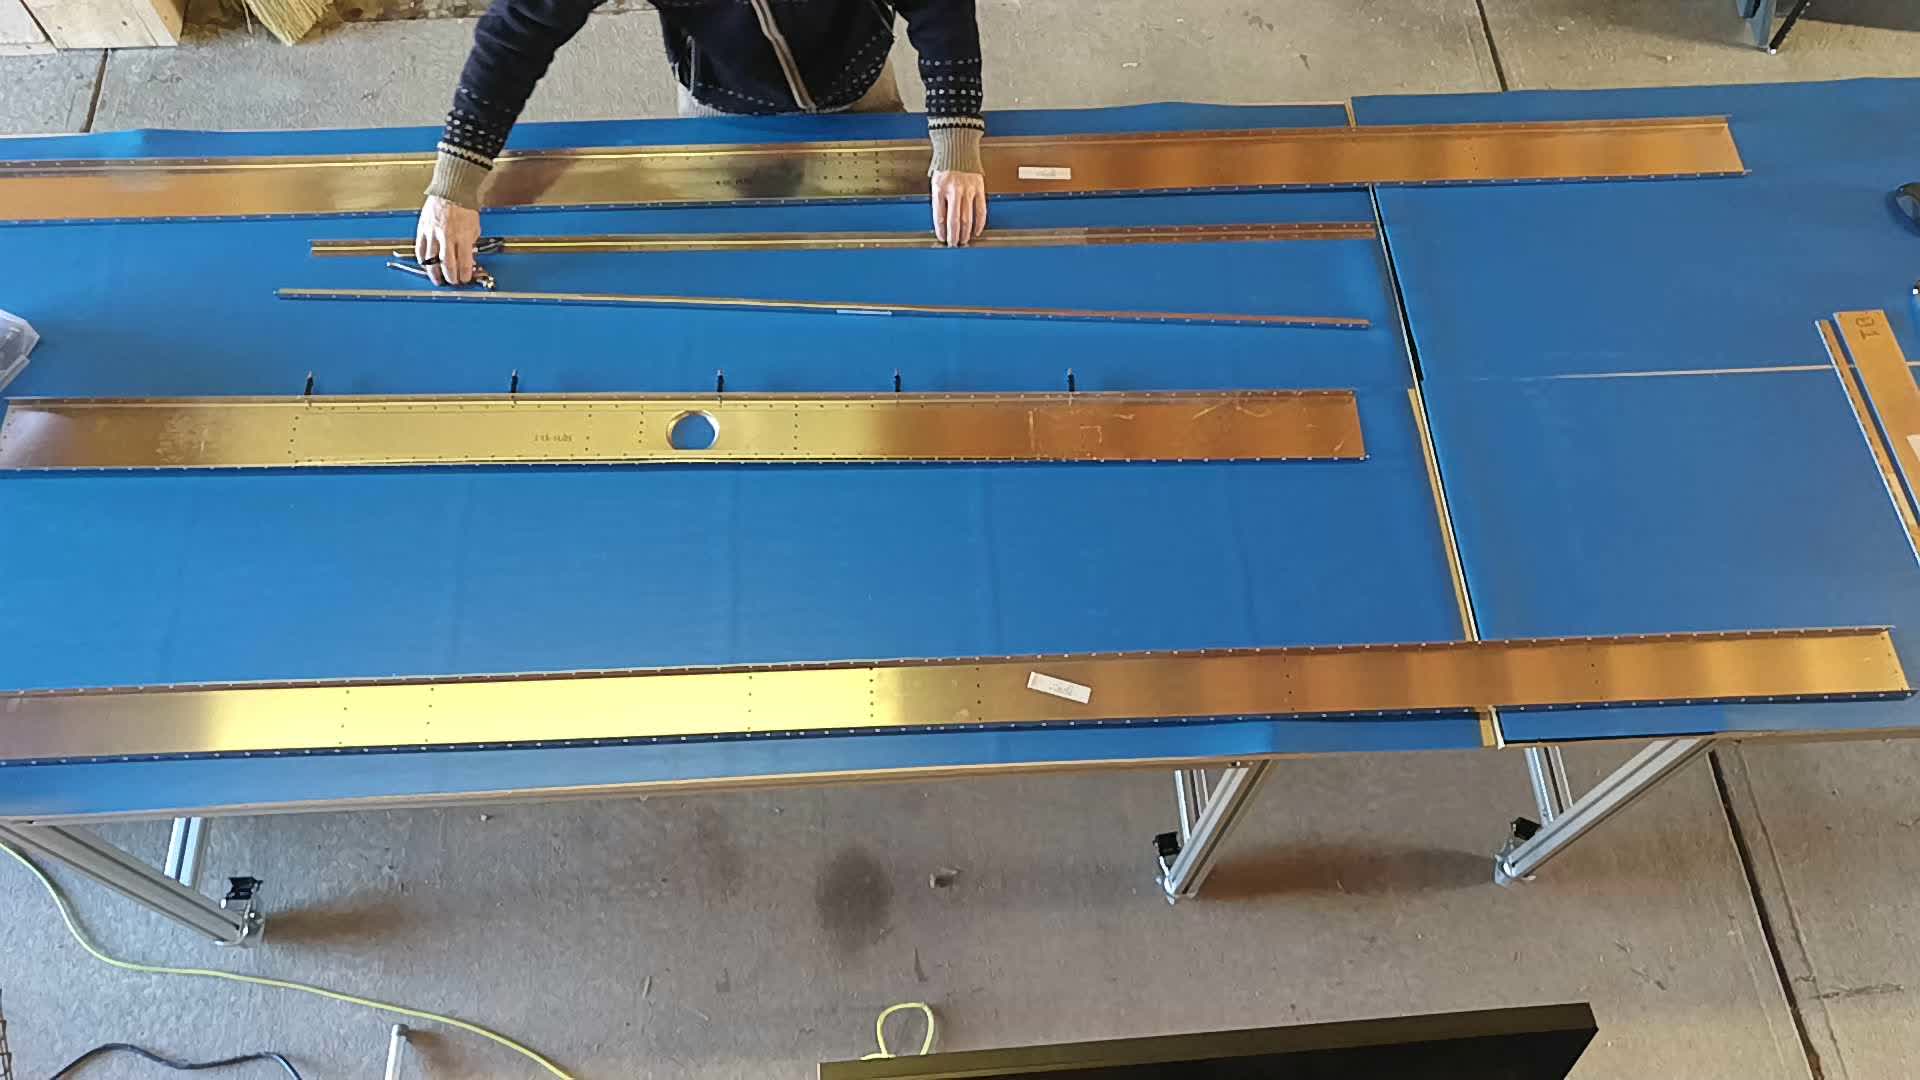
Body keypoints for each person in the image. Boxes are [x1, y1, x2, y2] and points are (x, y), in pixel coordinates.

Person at [414, 0, 989, 285]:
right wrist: (455, 183)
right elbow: (517, 33)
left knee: (886, 264)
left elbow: (939, 7)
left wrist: (956, 133)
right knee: (732, 273)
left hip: (855, 82)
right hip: (721, 100)